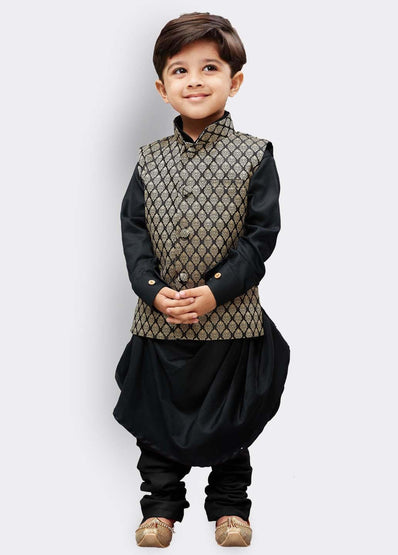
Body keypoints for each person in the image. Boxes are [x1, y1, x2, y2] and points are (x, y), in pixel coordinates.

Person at [112, 11, 291, 548]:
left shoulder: (254, 155)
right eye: (180, 70)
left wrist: (216, 292)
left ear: (234, 81)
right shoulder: (148, 161)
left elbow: (260, 237)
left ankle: (231, 509)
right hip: (159, 320)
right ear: (162, 88)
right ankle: (160, 510)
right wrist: (151, 291)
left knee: (232, 422)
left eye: (209, 67)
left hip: (231, 322)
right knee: (156, 421)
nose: (194, 80)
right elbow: (134, 233)